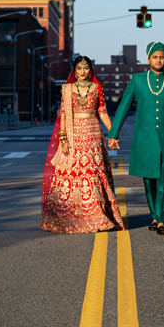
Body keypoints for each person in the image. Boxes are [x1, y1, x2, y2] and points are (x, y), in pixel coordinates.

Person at [108, 42, 164, 235]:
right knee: (149, 181)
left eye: (162, 57)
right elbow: (123, 106)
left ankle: (161, 220)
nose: (158, 60)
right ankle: (155, 216)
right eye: (155, 57)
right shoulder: (137, 80)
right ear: (148, 59)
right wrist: (113, 134)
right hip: (144, 141)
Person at [40, 56, 124, 233]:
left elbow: (102, 113)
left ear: (90, 69)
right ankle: (69, 215)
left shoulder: (96, 88)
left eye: (86, 68)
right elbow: (63, 114)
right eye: (79, 68)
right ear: (74, 70)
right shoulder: (67, 89)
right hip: (73, 134)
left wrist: (113, 131)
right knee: (70, 174)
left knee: (93, 173)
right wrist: (62, 139)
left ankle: (97, 214)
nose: (83, 72)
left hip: (93, 134)